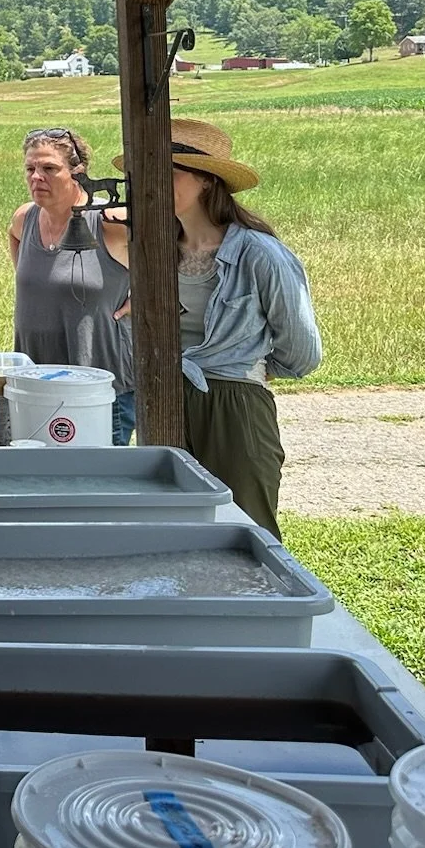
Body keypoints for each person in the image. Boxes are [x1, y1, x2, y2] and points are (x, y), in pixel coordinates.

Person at [112, 119, 321, 536]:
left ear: (207, 181)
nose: (152, 183)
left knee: (244, 533)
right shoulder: (154, 251)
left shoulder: (259, 254)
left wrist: (244, 366)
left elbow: (302, 351)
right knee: (172, 531)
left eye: (169, 171)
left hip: (233, 405)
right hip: (163, 396)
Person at [10, 127, 136, 444]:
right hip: (35, 388)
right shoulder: (25, 219)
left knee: (97, 485)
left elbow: (178, 248)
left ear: (77, 173)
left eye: (49, 168)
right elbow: (14, 240)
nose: (37, 177)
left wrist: (145, 297)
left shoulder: (110, 221)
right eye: (30, 169)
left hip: (98, 390)